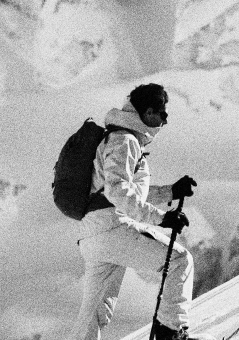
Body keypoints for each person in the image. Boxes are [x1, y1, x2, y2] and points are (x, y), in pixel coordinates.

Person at [73, 83, 199, 340]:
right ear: (149, 112)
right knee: (179, 261)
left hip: (94, 234)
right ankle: (170, 334)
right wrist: (161, 218)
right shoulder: (125, 140)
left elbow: (122, 191)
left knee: (94, 312)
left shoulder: (118, 137)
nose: (165, 120)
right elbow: (117, 191)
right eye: (162, 113)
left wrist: (170, 192)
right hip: (112, 228)